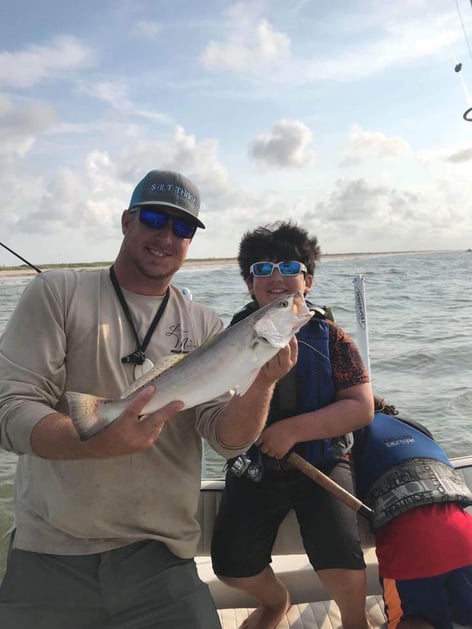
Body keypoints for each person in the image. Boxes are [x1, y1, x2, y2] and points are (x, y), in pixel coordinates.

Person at [0, 170, 297, 629]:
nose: (166, 236)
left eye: (182, 229)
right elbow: (11, 408)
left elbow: (227, 439)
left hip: (162, 558)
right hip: (50, 552)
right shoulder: (58, 293)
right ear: (126, 221)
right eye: (155, 219)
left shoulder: (205, 325)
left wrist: (261, 385)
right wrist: (93, 442)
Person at [211, 221, 375, 629]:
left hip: (321, 461)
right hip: (255, 462)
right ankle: (275, 602)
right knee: (231, 563)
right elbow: (212, 400)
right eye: (262, 269)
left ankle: (355, 621)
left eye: (289, 265)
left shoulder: (331, 337)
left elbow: (360, 407)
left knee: (340, 552)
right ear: (250, 285)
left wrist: (292, 430)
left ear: (309, 280)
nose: (277, 276)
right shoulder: (230, 337)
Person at [353, 397, 472, 629]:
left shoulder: (351, 438)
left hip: (410, 552)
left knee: (415, 623)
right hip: (465, 536)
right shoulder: (414, 426)